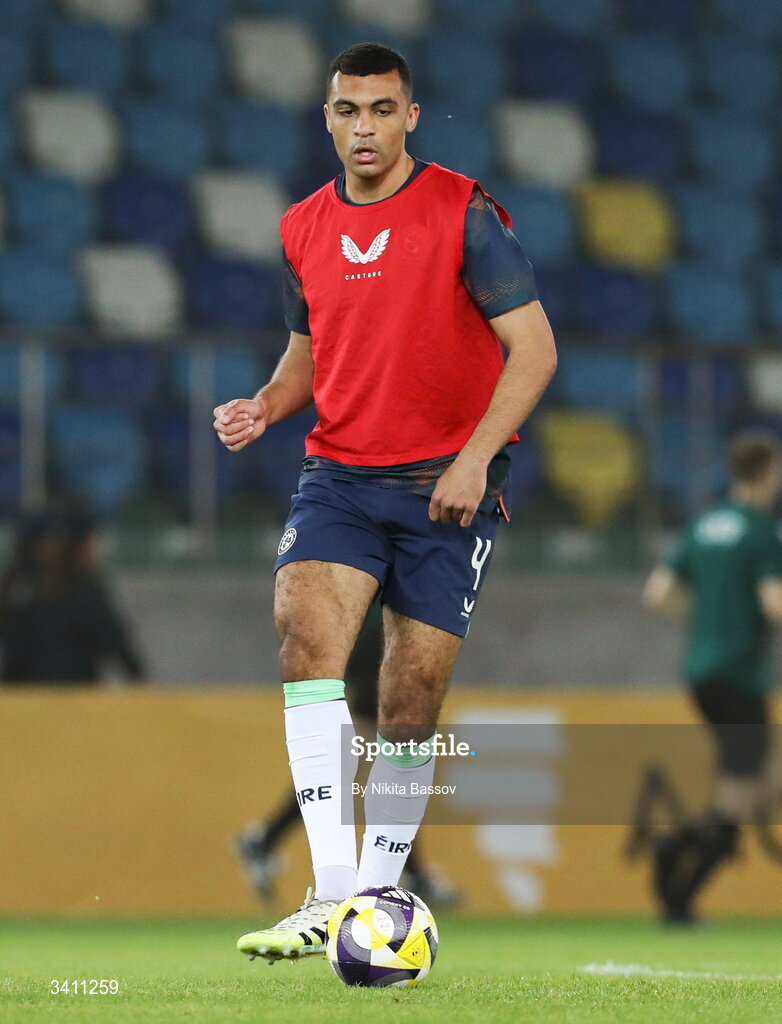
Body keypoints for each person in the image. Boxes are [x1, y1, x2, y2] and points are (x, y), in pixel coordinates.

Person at [213, 42, 556, 964]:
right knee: (304, 636)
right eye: (345, 111)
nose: (362, 127)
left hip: (448, 485)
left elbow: (534, 350)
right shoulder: (301, 229)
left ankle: (380, 889)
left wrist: (477, 458)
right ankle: (329, 895)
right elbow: (309, 357)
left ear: (410, 117)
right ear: (326, 118)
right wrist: (265, 405)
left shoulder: (464, 213)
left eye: (380, 109)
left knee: (411, 698)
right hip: (342, 475)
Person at [236, 601, 463, 909]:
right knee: (387, 775)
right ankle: (410, 876)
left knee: (370, 777)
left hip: (360, 624)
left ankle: (266, 840)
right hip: (370, 627)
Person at [643, 431, 782, 924]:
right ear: (768, 471)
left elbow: (658, 592)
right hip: (741, 674)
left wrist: (703, 623)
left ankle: (678, 881)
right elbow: (773, 602)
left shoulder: (704, 525)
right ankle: (676, 876)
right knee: (747, 792)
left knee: (746, 785)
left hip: (702, 670)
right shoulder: (762, 531)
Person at [0, 508, 146, 685]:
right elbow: (118, 647)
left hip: (19, 703)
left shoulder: (15, 587)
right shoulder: (85, 591)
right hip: (72, 702)